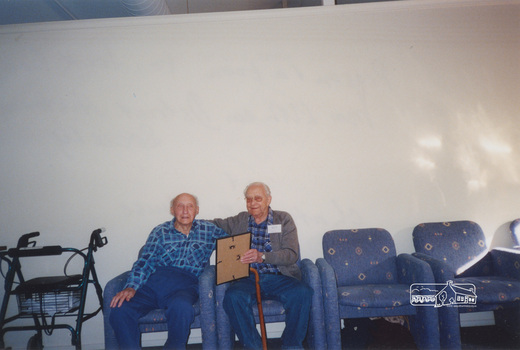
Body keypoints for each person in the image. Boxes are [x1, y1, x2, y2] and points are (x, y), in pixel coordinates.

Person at [109, 193, 227, 350]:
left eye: (190, 206)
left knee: (182, 308)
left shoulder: (209, 230)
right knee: (120, 309)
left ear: (197, 210)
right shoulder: (160, 231)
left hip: (185, 286)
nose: (185, 211)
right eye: (180, 206)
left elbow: (231, 244)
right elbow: (146, 260)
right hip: (153, 284)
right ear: (172, 210)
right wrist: (132, 286)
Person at [214, 182, 313, 350]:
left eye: (258, 198)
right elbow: (214, 224)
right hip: (248, 278)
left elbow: (291, 254)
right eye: (249, 199)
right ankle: (253, 346)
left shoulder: (284, 219)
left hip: (280, 276)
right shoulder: (240, 220)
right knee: (232, 297)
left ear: (268, 200)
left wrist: (263, 256)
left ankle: (291, 344)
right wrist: (188, 218)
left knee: (302, 293)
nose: (252, 203)